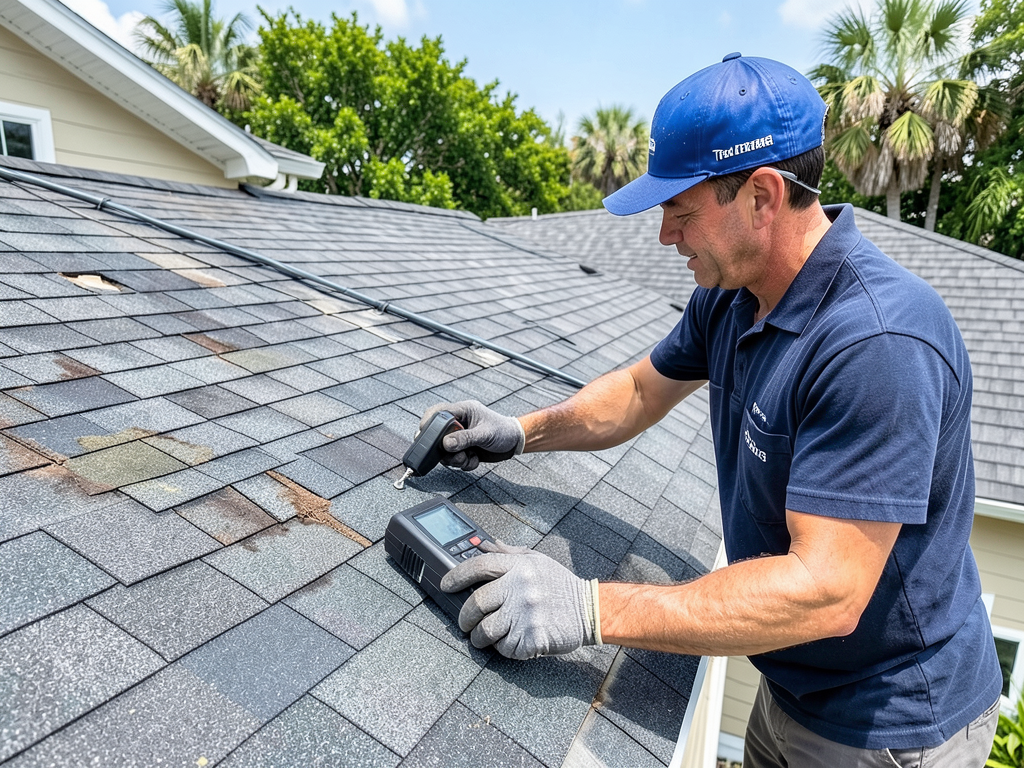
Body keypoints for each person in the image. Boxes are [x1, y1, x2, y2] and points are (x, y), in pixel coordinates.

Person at [421, 54, 1002, 767]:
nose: (665, 234)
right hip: (791, 681)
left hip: (891, 724)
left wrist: (592, 609)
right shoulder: (732, 295)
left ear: (762, 195)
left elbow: (826, 592)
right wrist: (519, 433)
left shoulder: (878, 342)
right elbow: (638, 393)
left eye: (680, 209)